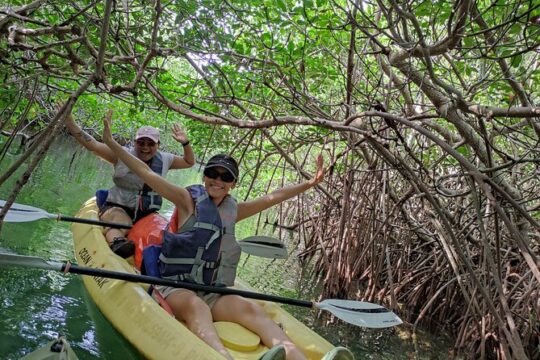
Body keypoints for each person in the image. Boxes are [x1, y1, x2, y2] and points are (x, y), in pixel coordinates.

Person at [102, 115, 324, 360]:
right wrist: (111, 143)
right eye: (213, 174)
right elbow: (145, 171)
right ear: (204, 176)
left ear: (233, 184)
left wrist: (310, 182)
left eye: (225, 177)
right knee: (196, 307)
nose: (217, 180)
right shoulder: (186, 200)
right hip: (175, 286)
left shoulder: (233, 211)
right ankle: (221, 357)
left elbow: (274, 196)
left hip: (209, 289)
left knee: (250, 308)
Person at [63, 106, 195, 258]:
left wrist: (185, 143)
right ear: (135, 142)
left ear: (158, 145)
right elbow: (92, 144)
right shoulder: (121, 154)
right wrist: (70, 122)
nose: (145, 147)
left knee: (161, 236)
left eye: (150, 144)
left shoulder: (166, 159)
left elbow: (189, 161)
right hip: (119, 207)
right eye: (141, 143)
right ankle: (118, 242)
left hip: (147, 213)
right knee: (121, 223)